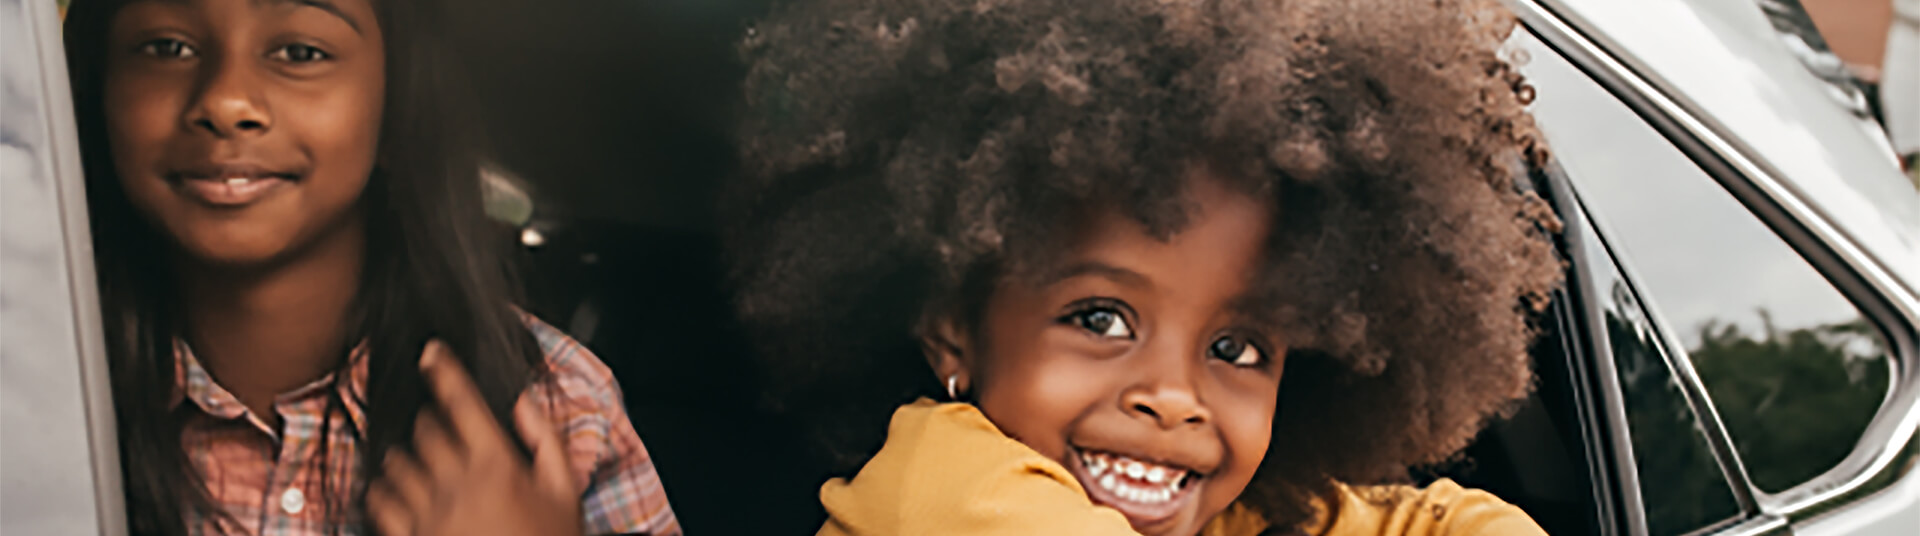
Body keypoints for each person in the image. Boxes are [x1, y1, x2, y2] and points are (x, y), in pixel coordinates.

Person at [725, 0, 1564, 535]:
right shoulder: (942, 486)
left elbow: (1431, 520)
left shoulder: (1236, 515)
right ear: (952, 334)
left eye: (1236, 348)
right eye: (1100, 319)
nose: (1171, 397)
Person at [60, 0, 679, 534]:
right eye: (167, 47)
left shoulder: (559, 408)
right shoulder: (33, 393)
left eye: (300, 52)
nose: (226, 101)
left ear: (394, 112)